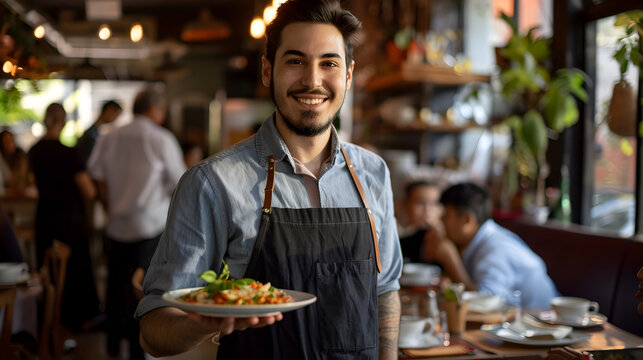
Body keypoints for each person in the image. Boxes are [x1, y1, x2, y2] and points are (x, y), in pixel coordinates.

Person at [136, 1, 403, 359]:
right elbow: (153, 328)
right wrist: (203, 322)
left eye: (329, 63)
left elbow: (385, 290)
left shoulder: (373, 173)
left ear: (349, 75)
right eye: (295, 61)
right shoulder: (211, 183)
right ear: (267, 70)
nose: (312, 80)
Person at [88, 87, 186, 359]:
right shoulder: (160, 138)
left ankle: (111, 343)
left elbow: (96, 175)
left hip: (116, 224)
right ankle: (135, 349)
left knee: (115, 286)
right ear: (155, 109)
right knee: (141, 290)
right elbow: (180, 182)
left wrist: (109, 205)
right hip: (148, 226)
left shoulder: (110, 136)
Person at [426, 182, 558, 308]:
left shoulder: (495, 248)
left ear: (467, 220)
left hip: (542, 320)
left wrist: (452, 262)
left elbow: (486, 303)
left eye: (446, 216)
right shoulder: (478, 241)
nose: (441, 221)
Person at [27, 103, 100, 329]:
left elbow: (32, 183)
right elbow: (89, 190)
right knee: (73, 271)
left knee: (47, 272)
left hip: (44, 218)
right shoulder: (69, 153)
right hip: (69, 221)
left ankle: (48, 321)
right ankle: (75, 321)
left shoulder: (34, 151)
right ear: (64, 122)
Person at [75, 100, 122, 164]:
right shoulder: (91, 135)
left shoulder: (93, 132)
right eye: (116, 115)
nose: (115, 118)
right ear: (109, 110)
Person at [0, 130, 32, 195]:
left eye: (11, 140)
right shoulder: (2, 158)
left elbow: (21, 178)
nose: (10, 144)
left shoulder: (20, 155)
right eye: (7, 141)